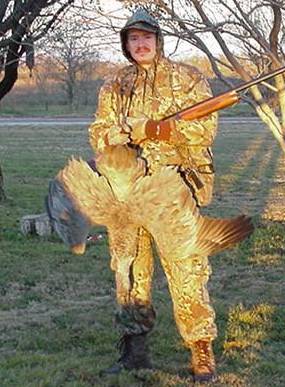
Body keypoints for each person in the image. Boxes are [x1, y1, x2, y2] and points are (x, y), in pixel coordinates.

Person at [89, 8, 219, 383]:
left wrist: (157, 130)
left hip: (172, 190)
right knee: (130, 270)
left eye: (146, 37)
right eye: (134, 38)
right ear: (126, 44)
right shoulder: (115, 84)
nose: (141, 44)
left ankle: (201, 352)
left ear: (158, 40)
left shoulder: (188, 78)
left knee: (187, 269)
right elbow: (97, 132)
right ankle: (134, 351)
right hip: (125, 192)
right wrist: (118, 135)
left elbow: (204, 131)